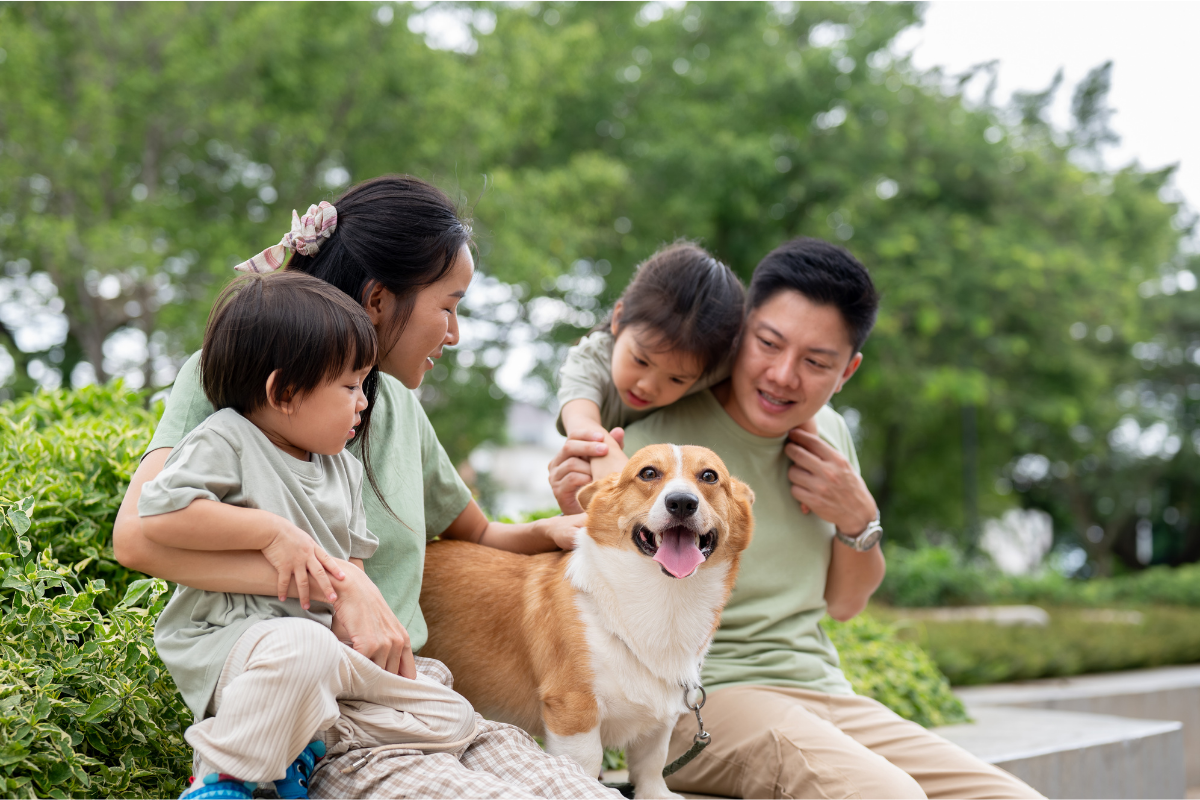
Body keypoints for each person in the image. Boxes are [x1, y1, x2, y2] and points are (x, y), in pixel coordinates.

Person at [115, 176, 622, 800]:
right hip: (326, 714)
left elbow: (477, 532)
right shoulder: (235, 377)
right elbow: (139, 537)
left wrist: (552, 529)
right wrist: (340, 580)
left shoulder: (398, 406)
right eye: (449, 305)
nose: (455, 334)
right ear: (379, 299)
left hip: (414, 692)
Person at [548, 237, 1046, 800]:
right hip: (703, 699)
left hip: (826, 692)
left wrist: (859, 518)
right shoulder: (660, 434)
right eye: (768, 343)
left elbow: (844, 604)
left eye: (816, 362)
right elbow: (596, 364)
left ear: (847, 372)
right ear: (739, 334)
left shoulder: (828, 436)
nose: (784, 375)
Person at [141, 270, 478, 798]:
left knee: (447, 711)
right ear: (285, 392)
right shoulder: (227, 438)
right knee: (303, 649)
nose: (362, 402)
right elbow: (159, 515)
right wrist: (272, 532)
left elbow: (353, 579)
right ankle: (221, 776)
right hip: (243, 645)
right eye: (349, 387)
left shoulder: (342, 469)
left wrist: (363, 643)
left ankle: (300, 740)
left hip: (321, 654)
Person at [556, 241, 744, 483]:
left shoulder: (711, 360)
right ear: (618, 318)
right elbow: (583, 426)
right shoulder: (588, 362)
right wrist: (615, 467)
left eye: (676, 379)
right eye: (640, 361)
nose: (647, 386)